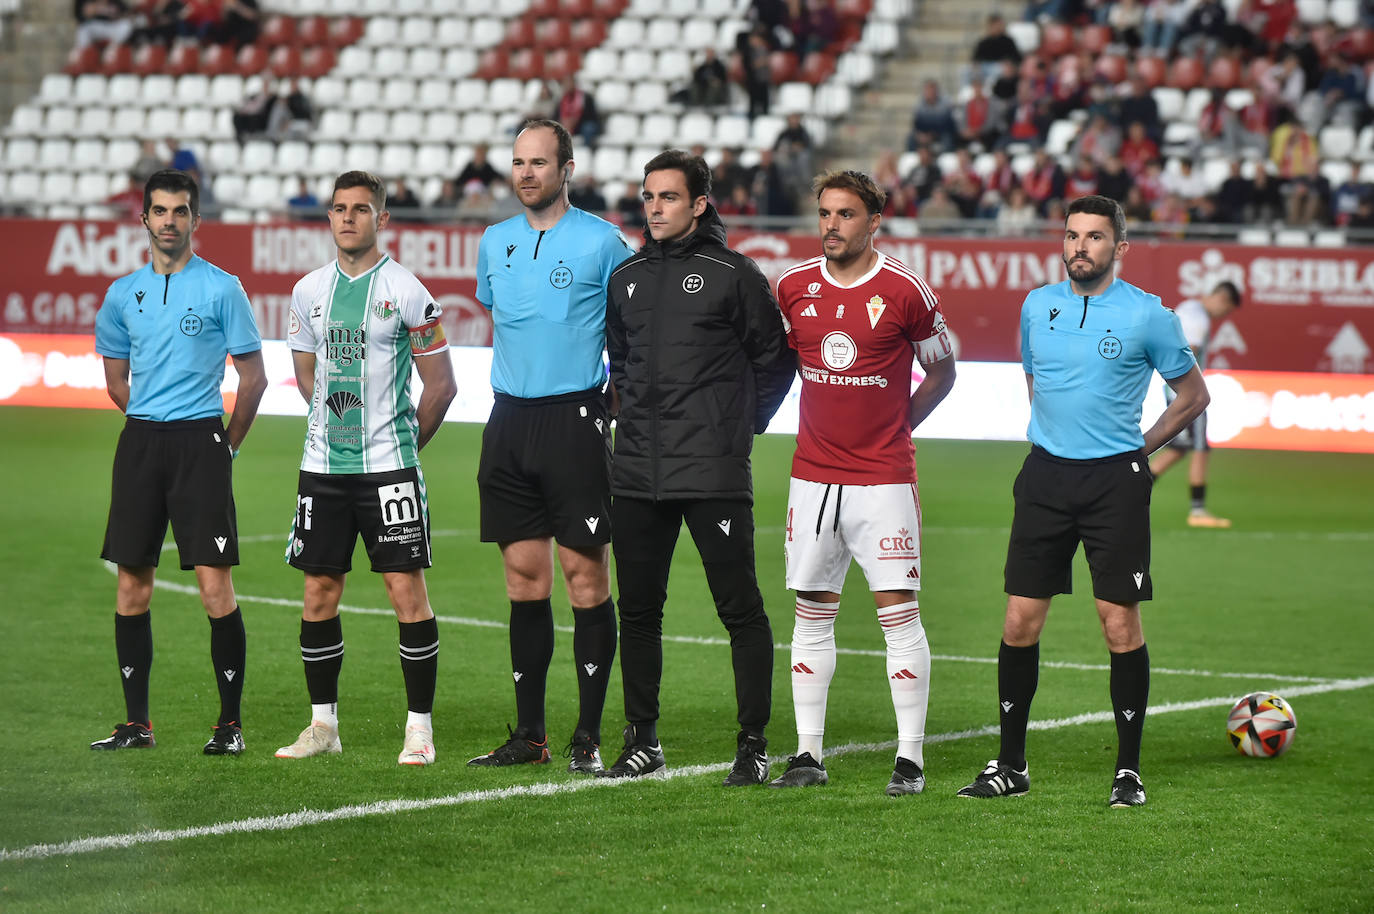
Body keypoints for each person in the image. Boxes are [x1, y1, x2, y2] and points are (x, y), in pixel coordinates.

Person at [956, 195, 1210, 808]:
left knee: (1118, 622)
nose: (1079, 247)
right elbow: (1033, 379)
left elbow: (1193, 396)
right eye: (1072, 235)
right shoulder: (1036, 306)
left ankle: (1127, 770)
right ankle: (1011, 764)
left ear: (1118, 248)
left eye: (1094, 237)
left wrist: (1137, 453)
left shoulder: (1150, 317)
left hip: (1112, 485)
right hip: (1044, 477)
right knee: (1019, 618)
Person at [598, 149, 794, 783]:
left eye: (669, 197)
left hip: (711, 470)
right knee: (639, 611)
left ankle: (753, 745)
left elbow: (777, 361)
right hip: (635, 472)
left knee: (739, 609)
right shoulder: (625, 278)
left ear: (699, 203)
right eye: (649, 197)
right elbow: (621, 366)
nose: (655, 208)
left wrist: (741, 425)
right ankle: (643, 740)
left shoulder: (734, 274)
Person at [770, 169, 956, 795]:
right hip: (812, 479)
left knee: (897, 615)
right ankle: (806, 755)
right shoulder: (793, 288)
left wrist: (898, 426)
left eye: (845, 215)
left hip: (883, 480)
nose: (831, 226)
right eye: (824, 213)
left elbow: (942, 371)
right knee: (810, 612)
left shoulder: (906, 290)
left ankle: (910, 759)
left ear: (874, 221)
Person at [468, 119, 634, 774]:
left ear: (566, 168)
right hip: (508, 422)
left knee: (585, 575)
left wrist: (610, 398)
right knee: (523, 580)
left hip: (575, 422)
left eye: (539, 162)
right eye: (518, 162)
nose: (527, 172)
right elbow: (502, 319)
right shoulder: (494, 241)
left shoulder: (602, 242)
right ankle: (530, 735)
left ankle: (588, 736)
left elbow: (628, 334)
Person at [275, 170, 457, 766]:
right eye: (338, 208)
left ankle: (420, 730)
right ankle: (322, 726)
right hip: (323, 470)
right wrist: (334, 425)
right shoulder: (307, 293)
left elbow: (442, 386)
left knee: (407, 594)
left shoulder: (408, 290)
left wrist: (403, 446)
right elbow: (307, 374)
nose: (348, 217)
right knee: (318, 592)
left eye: (360, 209)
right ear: (328, 217)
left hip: (390, 471)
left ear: (382, 219)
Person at [91, 169, 267, 754]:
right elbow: (117, 380)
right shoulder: (121, 294)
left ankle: (230, 725)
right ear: (144, 219)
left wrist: (227, 444)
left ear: (196, 219)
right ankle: (136, 724)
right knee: (131, 585)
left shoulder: (223, 288)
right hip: (140, 444)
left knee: (216, 586)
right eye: (160, 211)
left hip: (200, 445)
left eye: (180, 211)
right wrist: (148, 415)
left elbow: (253, 376)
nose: (170, 221)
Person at [1149, 281, 1241, 527]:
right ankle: (1198, 511)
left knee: (1179, 449)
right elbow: (1188, 351)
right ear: (1222, 299)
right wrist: (1190, 392)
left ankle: (1131, 485)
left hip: (1174, 390)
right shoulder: (1197, 317)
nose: (1224, 315)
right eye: (1227, 309)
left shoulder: (1187, 308)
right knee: (1201, 447)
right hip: (1187, 393)